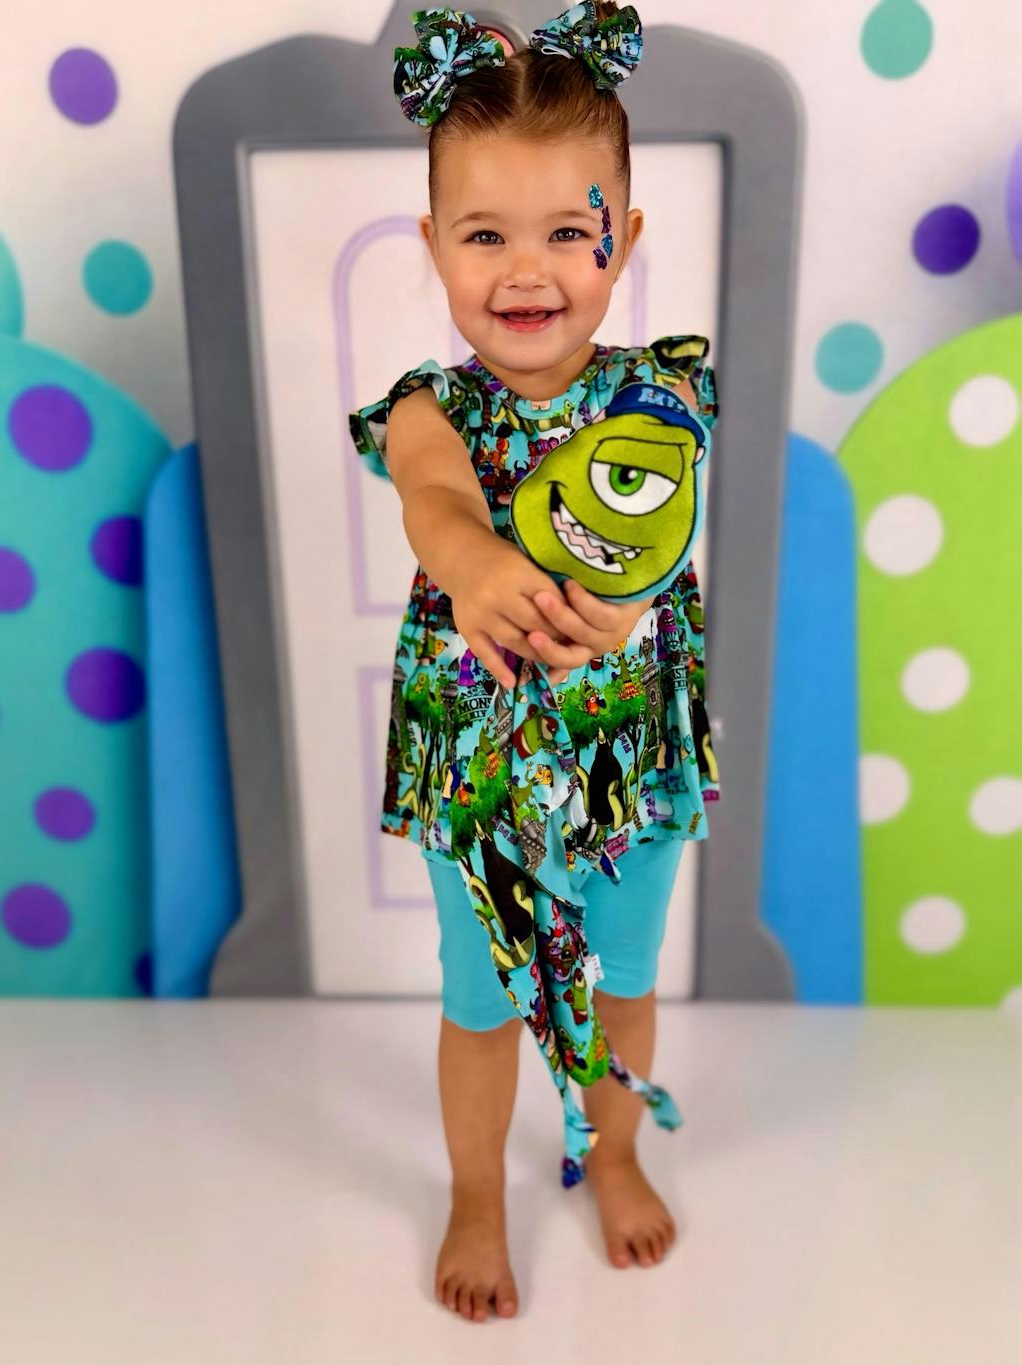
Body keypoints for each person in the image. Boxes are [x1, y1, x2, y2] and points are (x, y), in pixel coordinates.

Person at [347, 1, 721, 1324]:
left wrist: (626, 601)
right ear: (432, 244)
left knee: (623, 978)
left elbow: (658, 521)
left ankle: (611, 1153)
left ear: (626, 238)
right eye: (485, 234)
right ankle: (474, 1192)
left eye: (570, 231)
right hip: (485, 770)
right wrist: (473, 562)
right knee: (482, 996)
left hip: (626, 756)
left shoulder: (662, 390)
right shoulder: (425, 406)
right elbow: (435, 495)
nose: (528, 270)